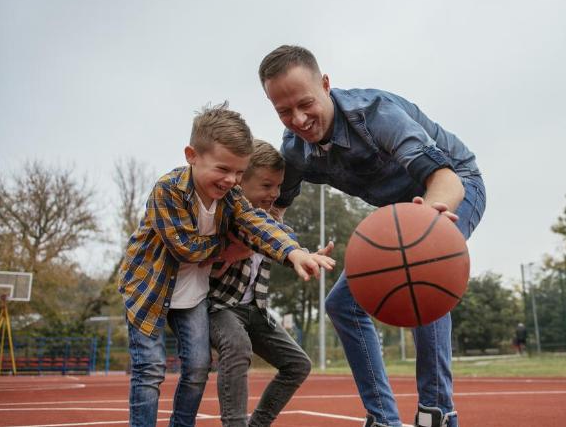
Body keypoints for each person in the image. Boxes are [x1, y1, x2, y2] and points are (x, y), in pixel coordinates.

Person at [259, 45, 486, 427]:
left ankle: (437, 413)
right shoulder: (295, 150)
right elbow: (274, 209)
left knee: (420, 277)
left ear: (326, 85)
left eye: (305, 103)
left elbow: (444, 179)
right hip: (399, 214)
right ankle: (383, 418)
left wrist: (429, 222)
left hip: (454, 187)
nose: (297, 119)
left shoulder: (376, 115)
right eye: (283, 111)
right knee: (341, 305)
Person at [118, 102, 335, 427]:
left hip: (193, 296)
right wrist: (234, 246)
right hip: (149, 291)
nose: (231, 180)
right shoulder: (169, 191)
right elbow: (187, 248)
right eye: (224, 169)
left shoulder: (232, 197)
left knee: (197, 369)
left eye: (238, 172)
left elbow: (259, 224)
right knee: (150, 369)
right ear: (192, 155)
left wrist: (294, 253)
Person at [208, 139, 331, 427]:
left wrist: (305, 255)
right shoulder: (225, 214)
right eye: (266, 186)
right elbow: (258, 236)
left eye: (278, 187)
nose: (274, 194)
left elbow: (279, 237)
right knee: (238, 346)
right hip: (219, 307)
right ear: (240, 183)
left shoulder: (271, 220)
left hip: (254, 309)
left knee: (298, 364)